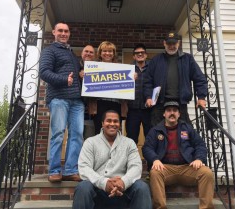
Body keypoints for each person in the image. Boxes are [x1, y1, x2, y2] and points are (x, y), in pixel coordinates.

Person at [73, 110, 152, 209]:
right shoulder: (90, 142)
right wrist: (104, 183)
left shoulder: (129, 143)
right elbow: (84, 168)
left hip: (123, 192)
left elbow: (136, 167)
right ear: (102, 123)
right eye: (108, 121)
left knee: (142, 187)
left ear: (119, 124)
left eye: (115, 121)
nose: (112, 124)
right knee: (83, 187)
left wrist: (123, 182)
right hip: (98, 192)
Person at [142, 101, 214, 209]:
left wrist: (199, 158)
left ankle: (206, 207)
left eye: (175, 111)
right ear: (164, 114)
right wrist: (155, 159)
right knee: (154, 173)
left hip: (187, 167)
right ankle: (160, 207)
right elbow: (147, 148)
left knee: (207, 173)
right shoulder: (156, 130)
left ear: (179, 114)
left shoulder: (187, 128)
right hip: (165, 168)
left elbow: (200, 145)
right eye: (169, 110)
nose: (172, 113)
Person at [39, 21, 84, 182]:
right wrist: (64, 79)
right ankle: (55, 170)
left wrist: (81, 73)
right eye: (60, 31)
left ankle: (71, 169)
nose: (63, 33)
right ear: (54, 32)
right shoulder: (49, 51)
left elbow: (76, 74)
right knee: (58, 134)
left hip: (76, 101)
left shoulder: (71, 53)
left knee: (77, 135)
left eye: (66, 31)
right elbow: (44, 72)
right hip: (58, 98)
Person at [143, 32, 208, 125]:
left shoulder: (187, 59)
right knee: (158, 133)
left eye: (174, 43)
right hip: (160, 104)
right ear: (164, 43)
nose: (172, 46)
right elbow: (147, 81)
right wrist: (148, 97)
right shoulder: (156, 60)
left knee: (184, 133)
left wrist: (201, 97)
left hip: (180, 103)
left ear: (178, 43)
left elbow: (200, 79)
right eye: (169, 44)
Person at [88, 41, 127, 135]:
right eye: (104, 51)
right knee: (99, 132)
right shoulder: (93, 68)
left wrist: (131, 77)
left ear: (113, 54)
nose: (107, 53)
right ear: (100, 53)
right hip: (99, 104)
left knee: (115, 132)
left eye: (110, 51)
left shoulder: (121, 69)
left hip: (116, 104)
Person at [125, 43, 151, 144]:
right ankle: (132, 160)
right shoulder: (127, 70)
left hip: (149, 109)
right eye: (137, 53)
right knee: (131, 138)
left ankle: (150, 159)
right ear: (133, 56)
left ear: (146, 54)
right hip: (132, 108)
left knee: (150, 136)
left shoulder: (152, 68)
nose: (140, 54)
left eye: (142, 52)